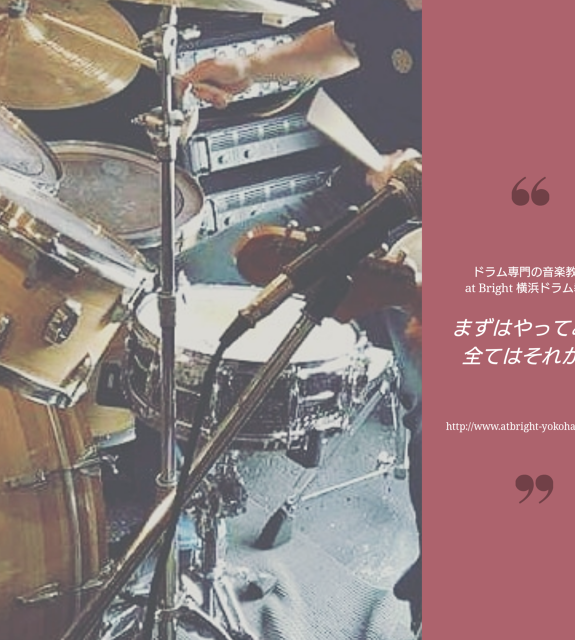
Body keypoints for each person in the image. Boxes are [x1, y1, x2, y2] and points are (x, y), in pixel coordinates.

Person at [183, 0, 422, 633]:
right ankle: (182, 527)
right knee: (191, 285)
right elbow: (342, 40)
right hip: (356, 202)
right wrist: (250, 67)